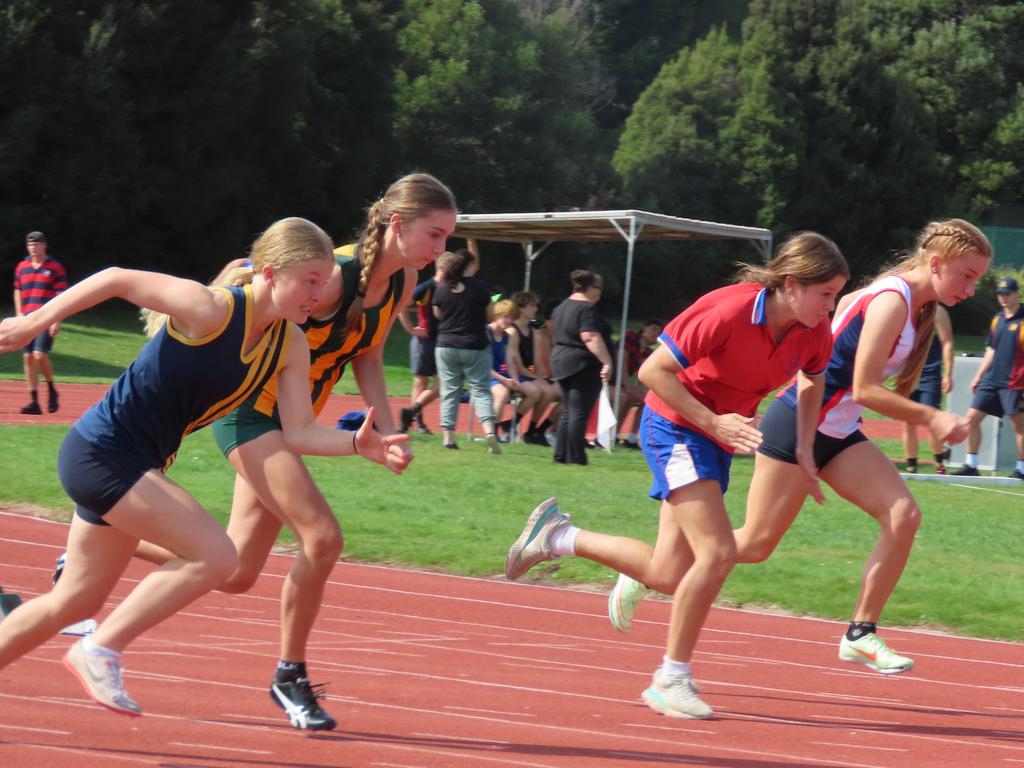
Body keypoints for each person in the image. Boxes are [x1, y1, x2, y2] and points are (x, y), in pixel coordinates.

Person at [0, 217, 410, 719]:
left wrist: (356, 443)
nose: (319, 293)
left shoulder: (290, 344)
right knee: (218, 556)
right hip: (101, 451)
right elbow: (115, 278)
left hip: (133, 464)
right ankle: (99, 649)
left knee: (72, 603)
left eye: (324, 281)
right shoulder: (211, 308)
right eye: (310, 279)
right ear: (268, 273)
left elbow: (299, 431)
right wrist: (32, 322)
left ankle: (89, 638)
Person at [132, 173, 457, 730]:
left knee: (234, 571)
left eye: (447, 237)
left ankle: (106, 535)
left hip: (291, 423)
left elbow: (369, 353)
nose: (441, 250)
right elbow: (256, 308)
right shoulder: (330, 279)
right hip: (250, 413)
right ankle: (290, 675)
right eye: (435, 234)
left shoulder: (401, 282)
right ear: (398, 225)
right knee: (323, 536)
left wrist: (386, 425)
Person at [608, 219, 991, 681]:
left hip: (837, 432)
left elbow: (836, 339)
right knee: (748, 545)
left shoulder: (913, 306)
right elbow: (865, 388)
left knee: (903, 516)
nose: (972, 289)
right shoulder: (893, 299)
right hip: (796, 424)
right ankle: (652, 570)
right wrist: (930, 416)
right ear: (937, 263)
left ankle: (859, 633)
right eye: (967, 276)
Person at [506, 232, 849, 719]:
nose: (831, 307)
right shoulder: (728, 311)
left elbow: (813, 378)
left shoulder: (814, 331)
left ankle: (559, 536)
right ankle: (671, 678)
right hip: (674, 427)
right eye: (826, 295)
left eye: (836, 295)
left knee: (668, 573)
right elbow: (652, 372)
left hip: (714, 438)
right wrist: (713, 421)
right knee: (718, 552)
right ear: (791, 284)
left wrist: (805, 447)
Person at [952, 275, 1024, 480]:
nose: (1003, 298)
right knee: (971, 419)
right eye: (1000, 294)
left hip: (1015, 382)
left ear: (1016, 293)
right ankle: (971, 465)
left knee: (1018, 425)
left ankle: (1021, 470)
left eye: (1007, 293)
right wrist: (978, 376)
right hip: (992, 380)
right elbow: (991, 349)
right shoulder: (997, 319)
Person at [433, 248, 501, 452]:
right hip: (475, 345)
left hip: (446, 345)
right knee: (480, 390)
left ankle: (448, 438)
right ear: (469, 266)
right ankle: (489, 431)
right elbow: (490, 317)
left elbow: (438, 314)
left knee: (450, 391)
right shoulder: (480, 287)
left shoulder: (442, 286)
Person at [549, 270, 613, 465]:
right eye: (598, 288)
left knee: (570, 410)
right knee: (579, 411)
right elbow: (590, 336)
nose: (600, 293)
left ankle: (561, 455)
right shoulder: (586, 308)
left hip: (561, 359)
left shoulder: (561, 307)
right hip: (581, 363)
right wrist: (607, 361)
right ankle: (577, 457)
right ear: (590, 288)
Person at [13, 230, 67, 414]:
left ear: (44, 245)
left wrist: (56, 320)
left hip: (45, 317)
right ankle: (34, 401)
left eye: (36, 244)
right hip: (27, 318)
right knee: (27, 357)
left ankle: (52, 390)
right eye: (30, 244)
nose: (33, 247)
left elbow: (61, 295)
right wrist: (19, 313)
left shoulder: (54, 267)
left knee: (38, 354)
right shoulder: (22, 267)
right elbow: (17, 290)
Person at [901, 304, 954, 473]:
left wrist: (948, 374)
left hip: (930, 373)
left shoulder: (938, 311)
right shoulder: (905, 307)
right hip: (908, 373)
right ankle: (911, 466)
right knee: (907, 421)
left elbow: (947, 343)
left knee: (932, 421)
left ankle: (939, 463)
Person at [397, 259, 444, 434]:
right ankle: (418, 423)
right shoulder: (426, 287)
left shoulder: (451, 288)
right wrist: (411, 329)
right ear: (442, 267)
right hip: (424, 341)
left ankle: (412, 413)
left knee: (441, 384)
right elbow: (402, 305)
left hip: (442, 342)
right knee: (421, 382)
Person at [509, 291, 561, 445]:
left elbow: (537, 359)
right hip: (514, 373)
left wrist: (540, 376)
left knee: (550, 391)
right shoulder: (513, 330)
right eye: (532, 306)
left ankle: (533, 431)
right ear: (521, 309)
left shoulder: (532, 331)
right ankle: (513, 424)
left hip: (528, 374)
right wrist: (536, 378)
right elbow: (515, 362)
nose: (536, 309)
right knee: (539, 391)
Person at [487, 299, 540, 441]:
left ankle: (510, 424)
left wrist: (514, 379)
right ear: (496, 315)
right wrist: (504, 380)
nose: (508, 320)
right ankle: (493, 433)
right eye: (505, 316)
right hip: (487, 375)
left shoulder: (507, 336)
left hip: (504, 375)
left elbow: (510, 361)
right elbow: (483, 365)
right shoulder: (486, 332)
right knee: (502, 394)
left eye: (510, 317)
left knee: (535, 391)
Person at [616, 320, 663, 448]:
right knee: (624, 397)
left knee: (647, 399)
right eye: (654, 329)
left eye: (659, 332)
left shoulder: (648, 353)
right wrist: (629, 386)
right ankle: (611, 434)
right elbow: (621, 361)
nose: (657, 334)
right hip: (611, 381)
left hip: (625, 385)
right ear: (644, 328)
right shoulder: (630, 338)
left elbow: (644, 376)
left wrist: (640, 389)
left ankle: (632, 437)